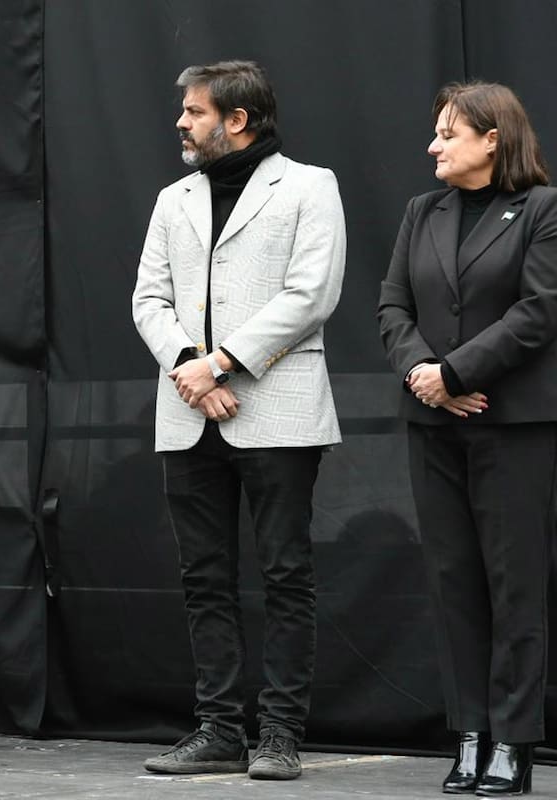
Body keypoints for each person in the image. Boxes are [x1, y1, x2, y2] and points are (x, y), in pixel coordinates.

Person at [131, 60, 345, 781]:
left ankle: (280, 733)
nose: (182, 124)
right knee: (204, 577)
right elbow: (148, 300)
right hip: (189, 411)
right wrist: (192, 369)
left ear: (237, 119)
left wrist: (221, 364)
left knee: (286, 574)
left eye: (194, 112)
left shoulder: (310, 186)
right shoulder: (173, 199)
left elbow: (311, 293)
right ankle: (219, 728)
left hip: (276, 409)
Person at [377, 81, 556, 797]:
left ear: (492, 138)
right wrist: (422, 372)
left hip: (513, 427)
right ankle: (471, 734)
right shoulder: (422, 211)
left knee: (515, 587)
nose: (434, 146)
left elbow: (540, 310)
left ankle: (514, 742)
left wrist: (454, 370)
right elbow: (393, 303)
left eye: (449, 134)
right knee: (454, 584)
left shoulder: (542, 210)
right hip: (434, 426)